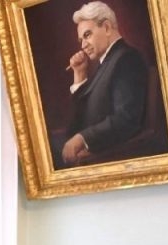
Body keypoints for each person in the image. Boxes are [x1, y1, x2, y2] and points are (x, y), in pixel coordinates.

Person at [60, 1, 148, 166]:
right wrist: (79, 74)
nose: (83, 45)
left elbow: (126, 119)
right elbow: (82, 117)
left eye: (87, 35)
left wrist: (82, 139)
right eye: (81, 40)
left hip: (108, 155)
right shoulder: (107, 61)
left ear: (107, 27)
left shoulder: (126, 58)